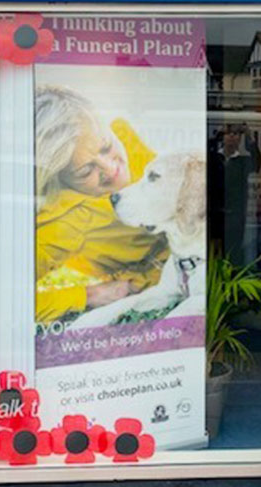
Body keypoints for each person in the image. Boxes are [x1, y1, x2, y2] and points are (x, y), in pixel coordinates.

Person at [34, 85, 169, 323]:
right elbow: (5, 298)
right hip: (155, 290)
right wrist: (90, 295)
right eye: (86, 171)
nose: (111, 168)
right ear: (61, 181)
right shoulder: (65, 223)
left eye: (106, 147)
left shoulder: (122, 134)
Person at [208, 124, 261, 265]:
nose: (231, 136)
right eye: (228, 133)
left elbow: (257, 162)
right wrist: (216, 135)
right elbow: (206, 150)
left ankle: (232, 277)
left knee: (233, 252)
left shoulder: (243, 161)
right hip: (213, 214)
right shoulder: (213, 158)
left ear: (240, 139)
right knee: (212, 251)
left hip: (234, 216)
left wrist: (249, 137)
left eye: (236, 134)